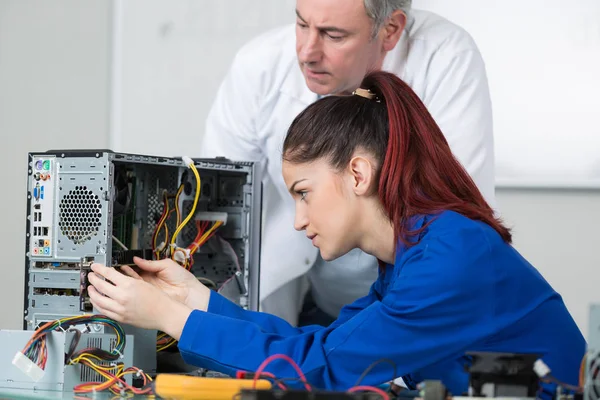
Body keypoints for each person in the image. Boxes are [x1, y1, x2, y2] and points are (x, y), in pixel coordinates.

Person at [88, 71, 585, 395]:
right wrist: (197, 301)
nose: (299, 219)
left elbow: (320, 366)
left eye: (303, 192)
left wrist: (171, 318)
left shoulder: (450, 258)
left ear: (358, 174)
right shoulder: (416, 253)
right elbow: (325, 345)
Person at [201, 0, 496, 326]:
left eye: (334, 35)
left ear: (390, 30)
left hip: (406, 301)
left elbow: (452, 221)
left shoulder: (445, 60)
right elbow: (218, 206)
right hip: (293, 298)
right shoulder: (259, 66)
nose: (306, 53)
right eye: (301, 24)